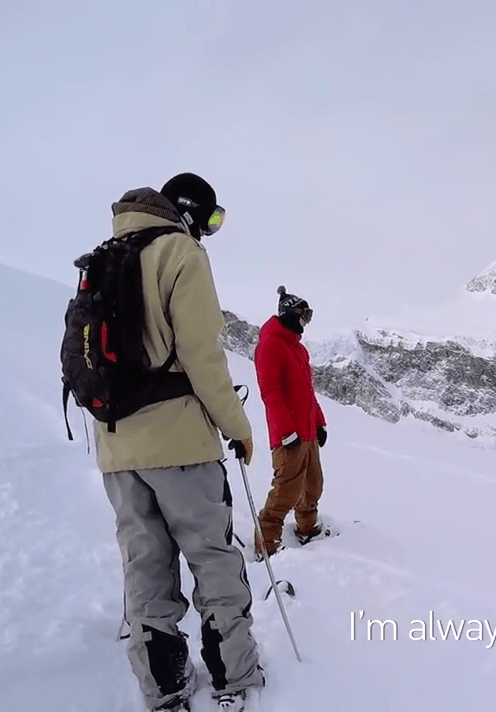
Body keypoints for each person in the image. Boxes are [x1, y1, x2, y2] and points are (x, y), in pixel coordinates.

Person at [97, 173, 264, 712]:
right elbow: (202, 356)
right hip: (182, 446)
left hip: (116, 447)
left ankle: (164, 686)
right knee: (213, 557)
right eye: (210, 219)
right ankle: (233, 675)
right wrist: (237, 427)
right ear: (190, 211)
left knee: (144, 562)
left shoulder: (106, 257)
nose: (210, 232)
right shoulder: (180, 252)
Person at [253, 285, 328, 559]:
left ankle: (307, 528)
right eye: (304, 314)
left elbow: (307, 391)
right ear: (290, 314)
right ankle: (267, 542)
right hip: (289, 434)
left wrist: (318, 422)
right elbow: (270, 392)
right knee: (286, 489)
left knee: (313, 484)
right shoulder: (270, 345)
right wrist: (286, 431)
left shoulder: (297, 349)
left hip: (306, 430)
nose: (306, 321)